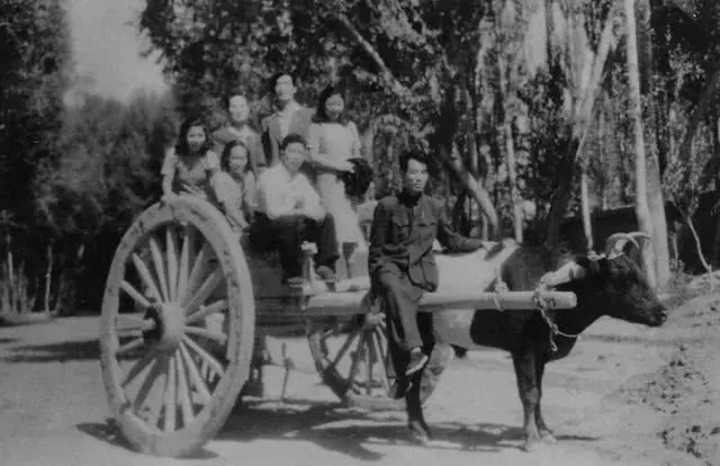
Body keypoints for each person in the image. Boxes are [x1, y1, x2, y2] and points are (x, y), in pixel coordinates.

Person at [369, 150, 487, 381]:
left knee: (406, 291)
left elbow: (451, 241)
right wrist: (376, 282)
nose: (419, 178)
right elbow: (376, 250)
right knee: (393, 286)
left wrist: (481, 244)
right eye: (413, 172)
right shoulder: (387, 206)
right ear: (402, 175)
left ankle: (413, 357)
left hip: (421, 272)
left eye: (423, 173)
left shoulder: (434, 206)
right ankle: (413, 351)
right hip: (391, 268)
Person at [252, 134, 339, 286]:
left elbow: (314, 204)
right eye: (292, 152)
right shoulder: (270, 176)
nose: (296, 157)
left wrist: (318, 211)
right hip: (265, 230)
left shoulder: (300, 179)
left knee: (327, 218)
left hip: (291, 229)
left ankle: (325, 265)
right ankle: (291, 273)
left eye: (300, 153)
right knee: (290, 221)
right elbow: (273, 213)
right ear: (282, 154)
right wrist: (302, 211)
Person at [307, 84, 367, 270]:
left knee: (350, 226)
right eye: (331, 104)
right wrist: (337, 166)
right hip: (328, 180)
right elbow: (313, 157)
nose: (335, 108)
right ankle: (333, 268)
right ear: (323, 105)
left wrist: (358, 173)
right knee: (334, 224)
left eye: (339, 104)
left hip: (348, 182)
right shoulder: (316, 127)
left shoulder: (350, 126)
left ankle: (353, 269)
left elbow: (356, 152)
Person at [161, 117, 246, 229]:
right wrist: (169, 196)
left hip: (206, 200)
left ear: (205, 137)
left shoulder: (209, 156)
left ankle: (236, 221)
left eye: (200, 136)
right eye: (192, 136)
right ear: (184, 136)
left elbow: (216, 182)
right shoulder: (174, 154)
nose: (196, 140)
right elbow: (167, 181)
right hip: (184, 199)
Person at [260, 73, 315, 168]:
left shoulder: (309, 114)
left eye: (286, 84)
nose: (282, 88)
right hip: (283, 171)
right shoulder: (271, 121)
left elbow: (314, 150)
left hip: (306, 169)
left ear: (294, 89)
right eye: (278, 84)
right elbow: (275, 159)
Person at [448, 142, 499, 240]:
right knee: (460, 208)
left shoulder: (482, 160)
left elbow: (482, 172)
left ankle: (485, 237)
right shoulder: (468, 158)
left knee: (482, 212)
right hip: (466, 183)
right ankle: (458, 233)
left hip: (474, 183)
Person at [211, 93, 265, 174]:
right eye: (234, 107)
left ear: (248, 110)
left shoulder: (257, 136)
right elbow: (219, 167)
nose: (239, 111)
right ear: (228, 111)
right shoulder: (219, 136)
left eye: (242, 106)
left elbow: (261, 166)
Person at [214, 140, 258, 230]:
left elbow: (250, 204)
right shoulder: (220, 178)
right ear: (227, 158)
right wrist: (246, 227)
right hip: (226, 225)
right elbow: (229, 210)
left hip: (246, 223)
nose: (239, 163)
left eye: (242, 159)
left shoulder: (248, 176)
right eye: (235, 158)